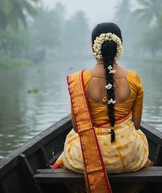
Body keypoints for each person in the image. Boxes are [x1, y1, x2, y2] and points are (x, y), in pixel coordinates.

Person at [52, 22, 151, 192]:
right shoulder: (134, 78)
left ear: (94, 47)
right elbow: (136, 125)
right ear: (119, 45)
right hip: (129, 157)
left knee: (70, 138)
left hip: (86, 158)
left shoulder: (79, 80)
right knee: (140, 137)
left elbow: (77, 128)